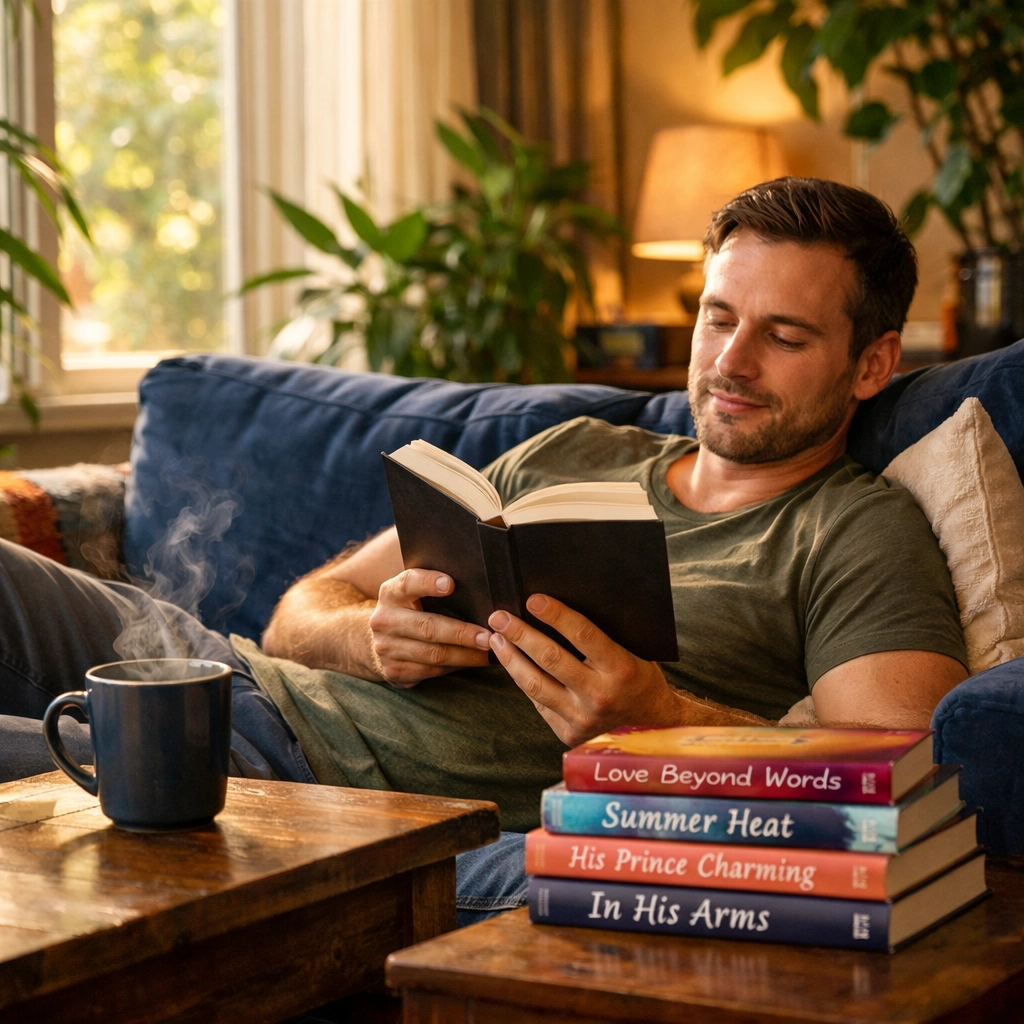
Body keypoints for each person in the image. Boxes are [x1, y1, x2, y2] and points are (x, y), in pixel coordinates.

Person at [0, 177, 968, 924]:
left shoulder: (854, 529)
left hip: (276, 784)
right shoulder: (575, 449)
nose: (729, 361)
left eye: (783, 335)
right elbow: (309, 605)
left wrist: (661, 722)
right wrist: (364, 637)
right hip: (217, 669)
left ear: (872, 363)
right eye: (718, 317)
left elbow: (900, 778)